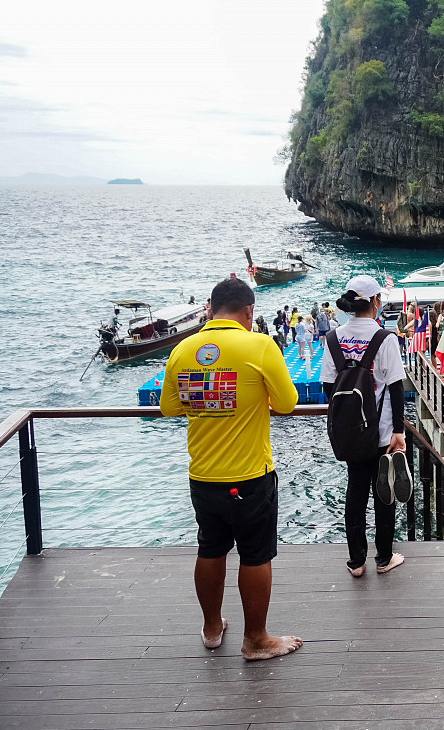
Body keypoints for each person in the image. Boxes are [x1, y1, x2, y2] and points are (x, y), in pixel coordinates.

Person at [160, 277, 302, 661]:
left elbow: (170, 408)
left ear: (210, 308)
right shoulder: (259, 345)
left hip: (203, 473)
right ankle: (256, 639)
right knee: (255, 555)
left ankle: (211, 628)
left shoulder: (183, 348)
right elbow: (287, 403)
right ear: (249, 311)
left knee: (210, 548)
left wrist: (208, 398)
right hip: (250, 474)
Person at [320, 275, 408, 578]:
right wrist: (398, 431)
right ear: (375, 302)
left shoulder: (333, 338)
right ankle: (384, 558)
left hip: (349, 433)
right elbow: (396, 388)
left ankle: (356, 561)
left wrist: (350, 419)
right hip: (381, 432)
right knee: (384, 492)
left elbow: (328, 387)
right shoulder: (385, 338)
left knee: (355, 492)